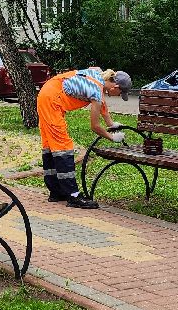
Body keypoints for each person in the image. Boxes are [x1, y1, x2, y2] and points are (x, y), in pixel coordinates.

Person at [35, 66, 132, 209]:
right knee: (63, 148)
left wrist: (111, 124)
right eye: (121, 93)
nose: (119, 96)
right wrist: (112, 138)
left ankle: (56, 192)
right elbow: (95, 126)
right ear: (115, 87)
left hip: (47, 94)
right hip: (52, 101)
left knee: (50, 145)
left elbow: (102, 104)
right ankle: (73, 196)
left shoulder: (98, 74)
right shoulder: (96, 91)